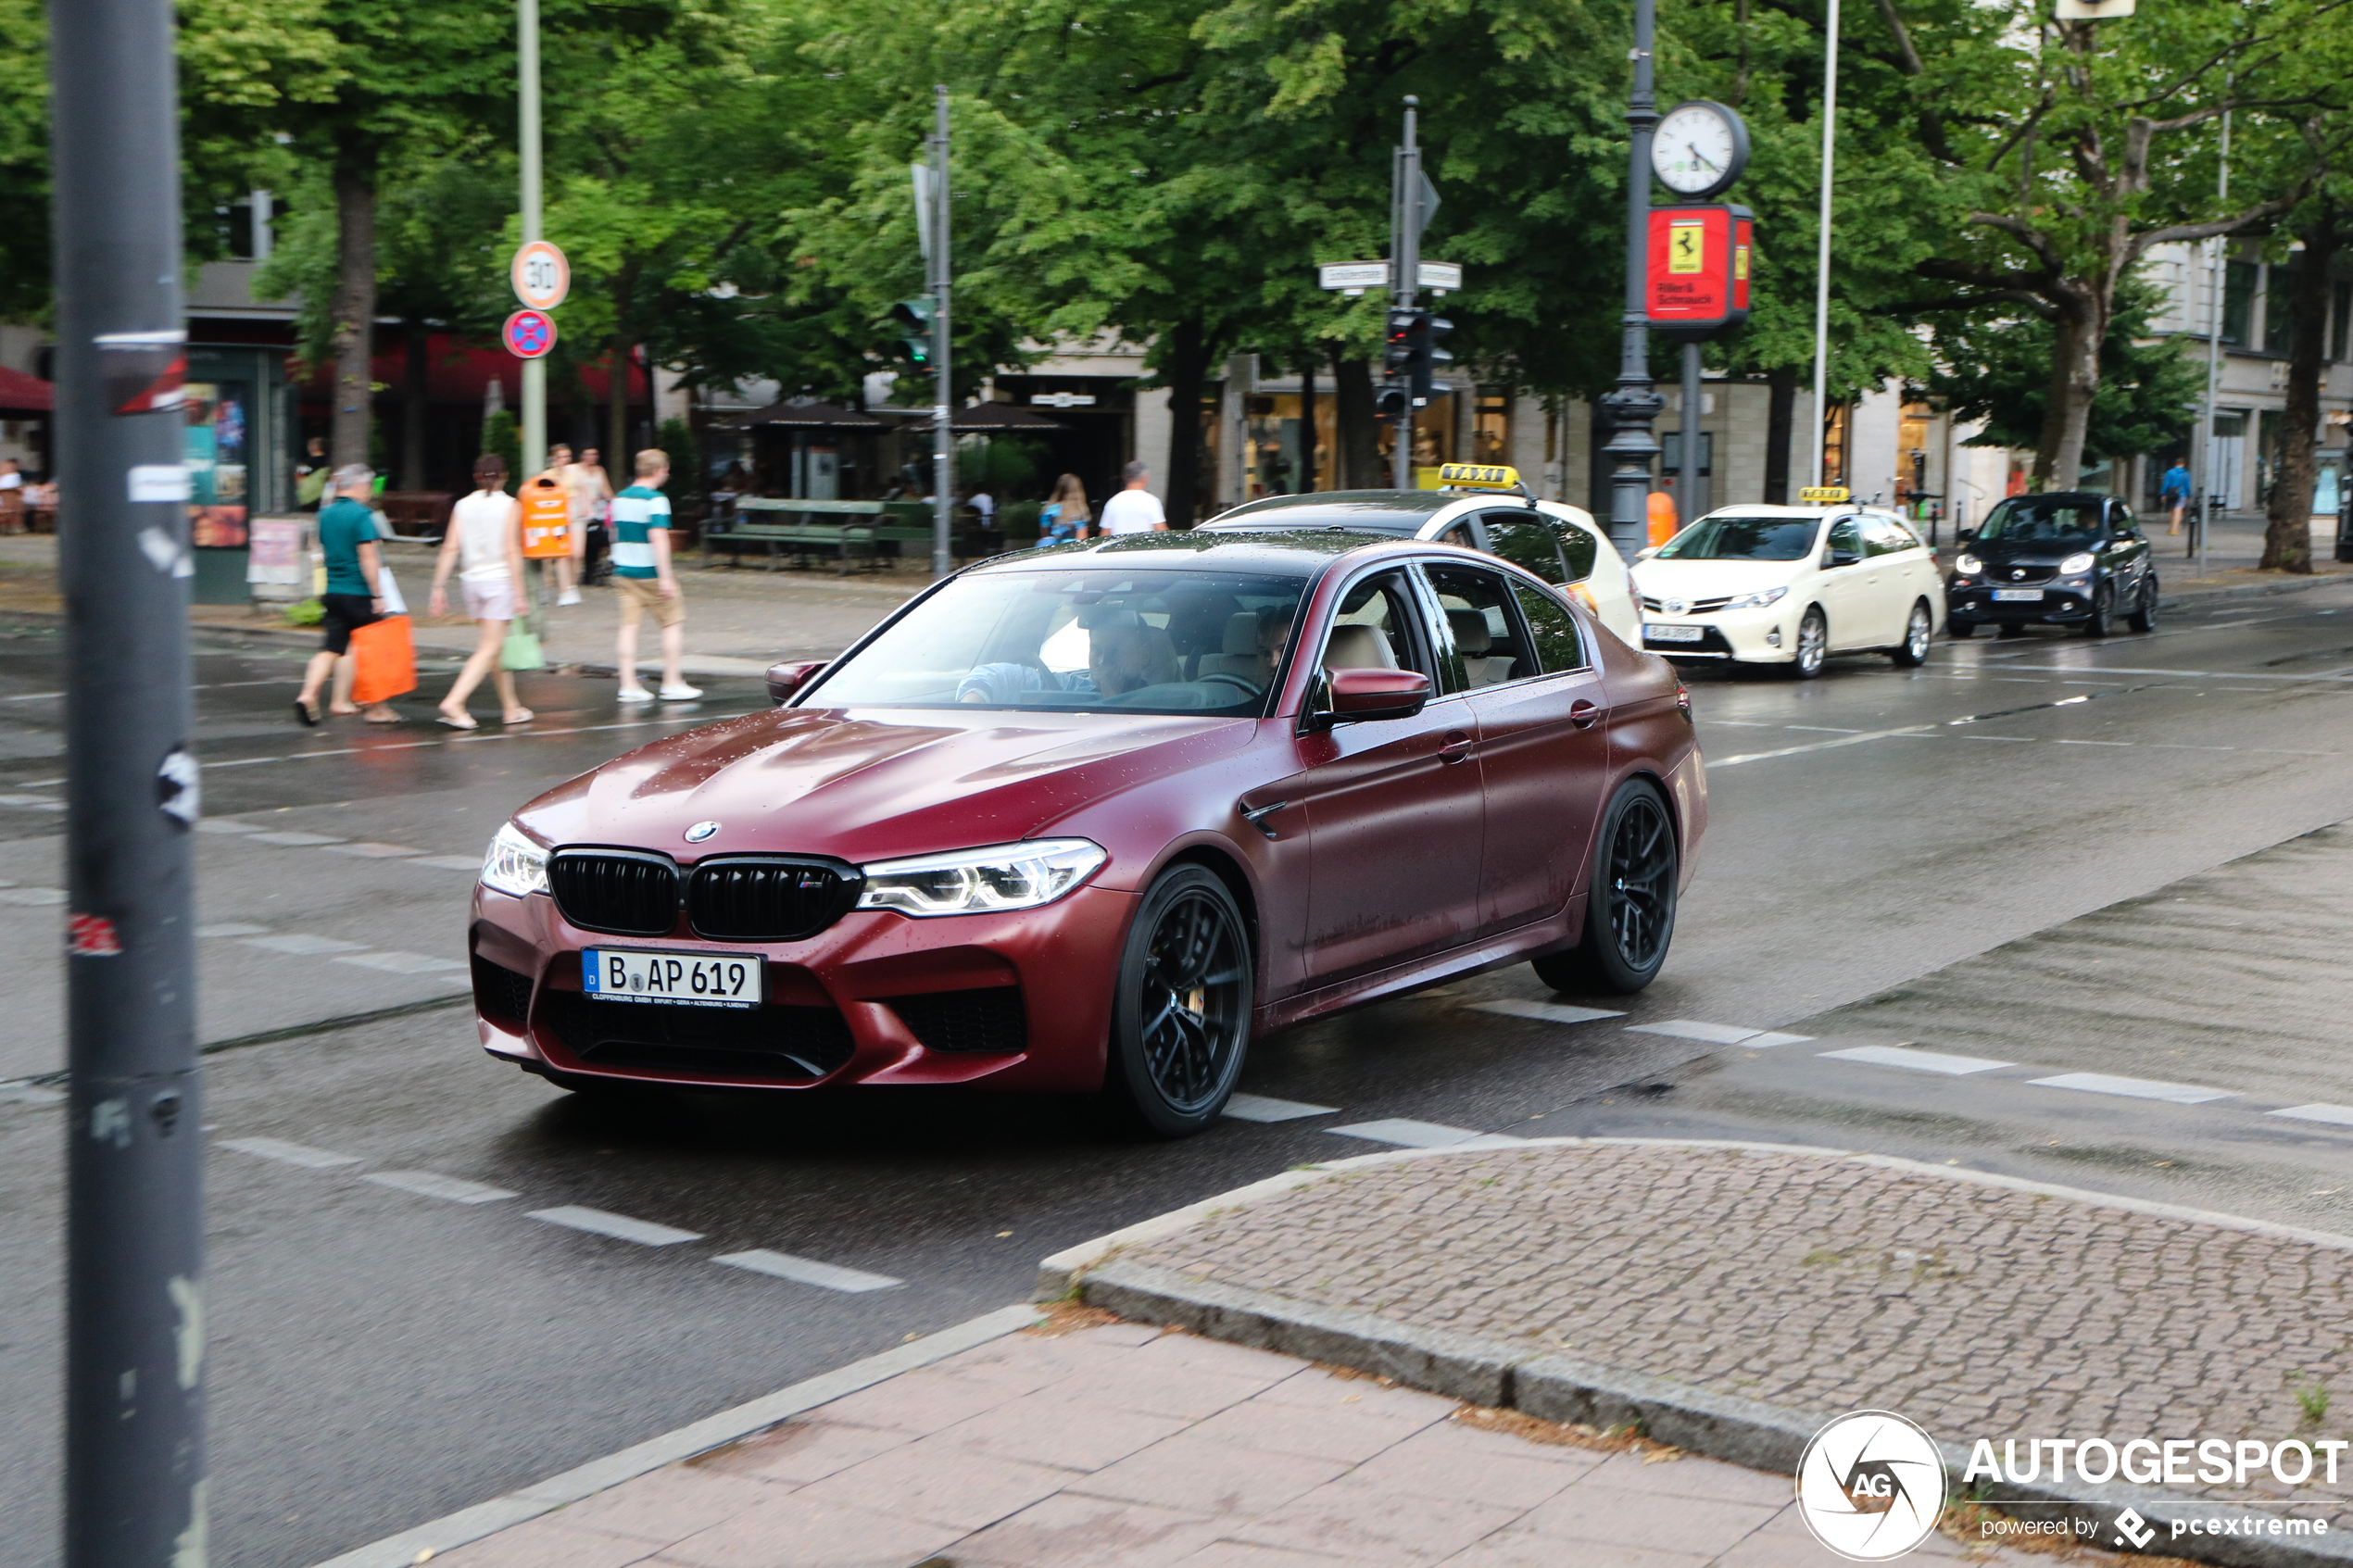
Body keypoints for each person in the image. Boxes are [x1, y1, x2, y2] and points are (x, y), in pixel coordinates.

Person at [426, 455, 534, 730]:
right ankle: (455, 701)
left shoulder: (462, 505)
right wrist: (520, 593)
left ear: (476, 476)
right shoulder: (511, 505)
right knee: (489, 648)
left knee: (492, 647)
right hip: (499, 581)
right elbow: (512, 550)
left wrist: (438, 587)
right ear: (504, 476)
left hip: (471, 581)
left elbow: (450, 547)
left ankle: (510, 707)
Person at [295, 465, 400, 726]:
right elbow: (368, 557)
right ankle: (378, 709)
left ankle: (308, 694)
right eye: (368, 487)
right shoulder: (362, 516)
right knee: (373, 649)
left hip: (333, 590)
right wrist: (377, 594)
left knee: (331, 648)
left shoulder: (325, 514)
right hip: (359, 591)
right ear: (360, 486)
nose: (369, 492)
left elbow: (317, 547)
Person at [610, 448, 699, 702]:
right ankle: (671, 681)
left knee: (628, 627)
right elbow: (659, 538)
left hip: (624, 572)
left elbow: (616, 533)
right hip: (650, 573)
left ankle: (628, 685)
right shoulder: (656, 499)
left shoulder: (619, 499)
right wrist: (666, 576)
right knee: (672, 623)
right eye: (666, 470)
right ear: (658, 470)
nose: (667, 474)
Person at [1097, 460, 1167, 534]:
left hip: (1120, 545)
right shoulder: (1152, 502)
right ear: (1145, 477)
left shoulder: (1112, 503)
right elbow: (1162, 532)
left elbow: (1104, 535)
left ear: (1125, 478)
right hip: (1143, 545)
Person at [1038, 472, 1090, 545]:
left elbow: (1045, 538)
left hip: (1051, 552)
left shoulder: (1047, 511)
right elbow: (1081, 539)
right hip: (1072, 551)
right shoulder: (1079, 511)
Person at [296, 437, 329, 509]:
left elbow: (299, 477)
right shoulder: (329, 461)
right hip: (325, 495)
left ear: (313, 447)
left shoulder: (307, 463)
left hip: (310, 497)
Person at [2161, 459, 2193, 536]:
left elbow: (2166, 483)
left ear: (2175, 464)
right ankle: (2174, 529)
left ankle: (2171, 527)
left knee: (2172, 511)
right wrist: (2189, 494)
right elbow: (2187, 486)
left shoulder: (2170, 472)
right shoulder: (2186, 474)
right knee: (2178, 511)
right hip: (2181, 494)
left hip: (2171, 494)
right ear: (2183, 464)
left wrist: (2164, 494)